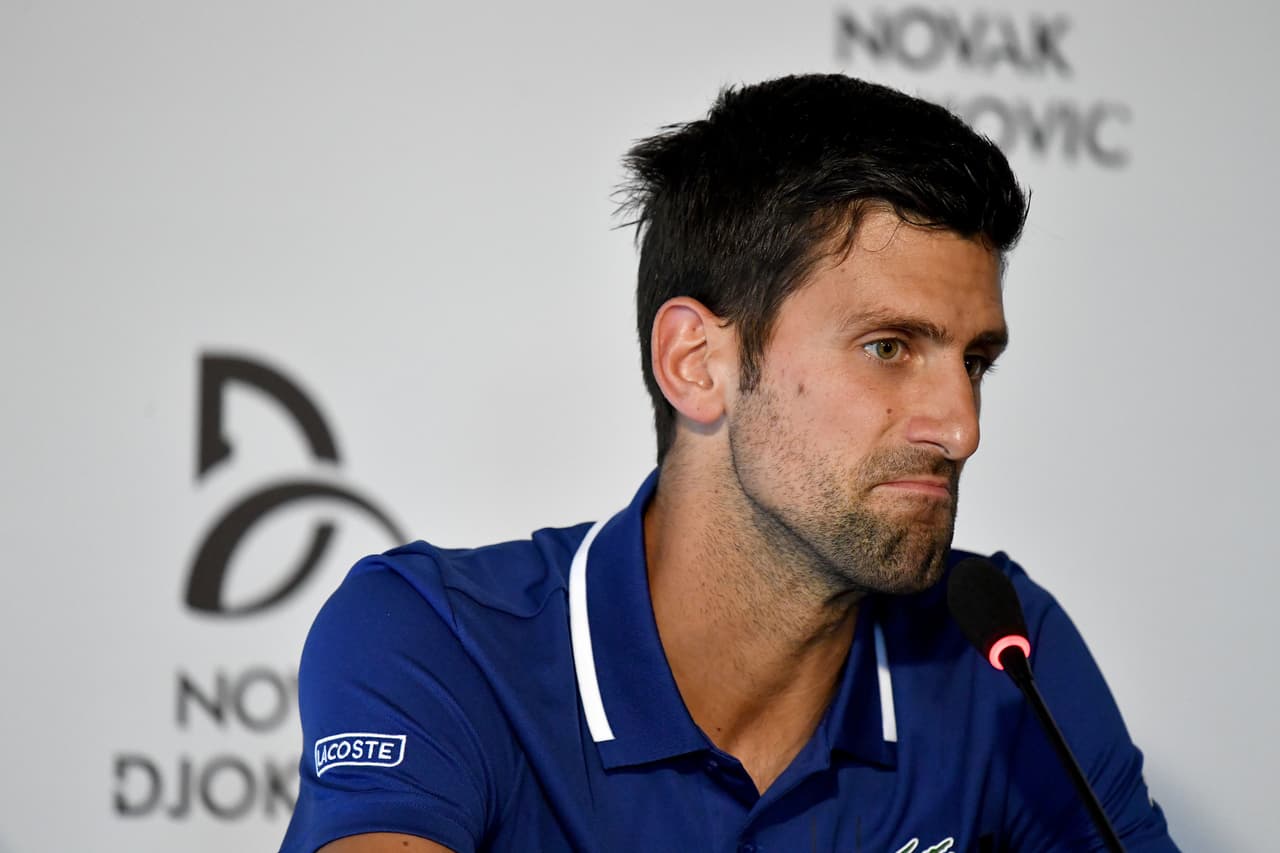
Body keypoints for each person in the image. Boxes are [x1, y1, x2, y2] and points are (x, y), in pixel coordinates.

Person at [280, 74, 1178, 852]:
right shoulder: (439, 641)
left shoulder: (1004, 652)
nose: (961, 427)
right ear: (696, 364)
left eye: (975, 362)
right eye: (890, 346)